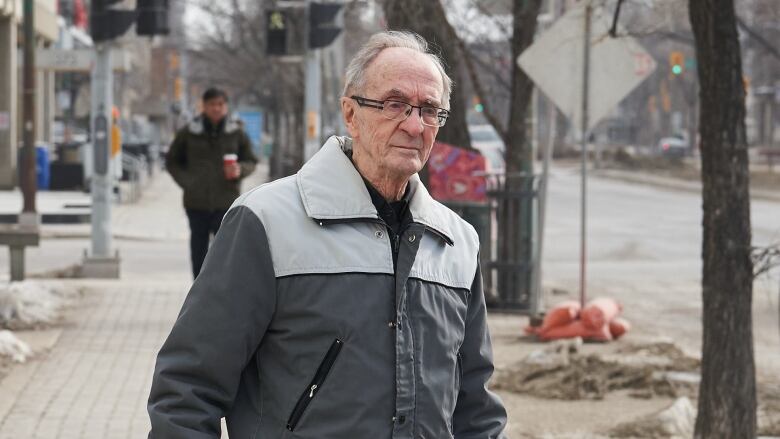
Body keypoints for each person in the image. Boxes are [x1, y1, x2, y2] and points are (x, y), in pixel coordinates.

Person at [148, 31, 507, 438]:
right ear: (350, 114)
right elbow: (187, 390)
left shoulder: (457, 242)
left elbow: (476, 409)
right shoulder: (265, 222)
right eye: (395, 104)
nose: (414, 124)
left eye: (429, 110)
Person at [165, 87, 257, 278]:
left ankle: (223, 291)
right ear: (204, 106)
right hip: (196, 202)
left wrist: (240, 170)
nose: (216, 108)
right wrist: (187, 182)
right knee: (198, 249)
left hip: (226, 201)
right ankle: (198, 291)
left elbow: (251, 160)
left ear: (226, 107)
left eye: (220, 104)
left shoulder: (236, 132)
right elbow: (172, 161)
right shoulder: (189, 132)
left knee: (225, 250)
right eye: (212, 104)